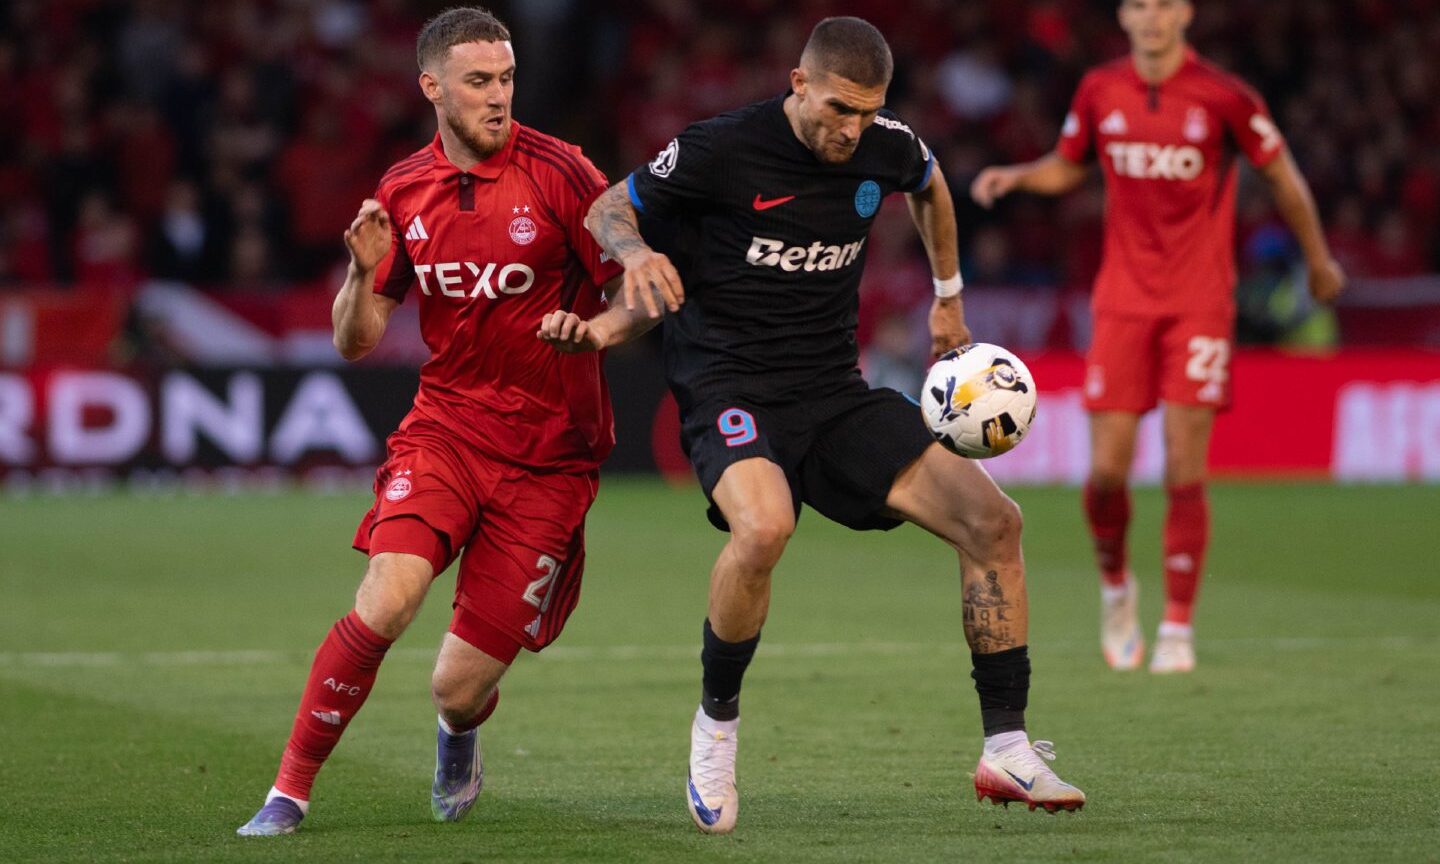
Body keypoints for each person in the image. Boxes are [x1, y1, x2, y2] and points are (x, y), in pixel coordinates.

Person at [542, 16, 1086, 834]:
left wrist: (949, 296)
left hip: (833, 392)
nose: (851, 130)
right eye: (838, 109)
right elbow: (608, 207)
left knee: (995, 522)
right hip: (727, 385)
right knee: (764, 527)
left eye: (867, 113)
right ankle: (716, 730)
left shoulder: (886, 146)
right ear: (800, 84)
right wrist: (635, 257)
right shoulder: (722, 148)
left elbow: (931, 184)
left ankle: (1006, 747)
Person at [237, 6, 629, 836]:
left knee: (454, 686)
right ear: (433, 87)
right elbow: (358, 340)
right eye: (479, 81)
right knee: (385, 601)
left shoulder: (564, 173)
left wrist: (598, 325)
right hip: (445, 433)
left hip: (550, 460)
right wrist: (359, 273)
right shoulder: (403, 190)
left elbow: (637, 284)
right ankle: (289, 793)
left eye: (507, 79)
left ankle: (457, 733)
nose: (499, 98)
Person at [970, 0, 1345, 673]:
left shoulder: (1225, 98)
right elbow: (1068, 162)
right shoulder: (1100, 89)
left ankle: (1176, 625)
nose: (1152, 17)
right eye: (1140, 4)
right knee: (1107, 474)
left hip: (1199, 303)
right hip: (1122, 303)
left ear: (1186, 13)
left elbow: (1282, 176)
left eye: (1164, 4)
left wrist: (1317, 260)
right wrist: (1020, 176)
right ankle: (1117, 588)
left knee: (1182, 468)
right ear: (1123, 15)